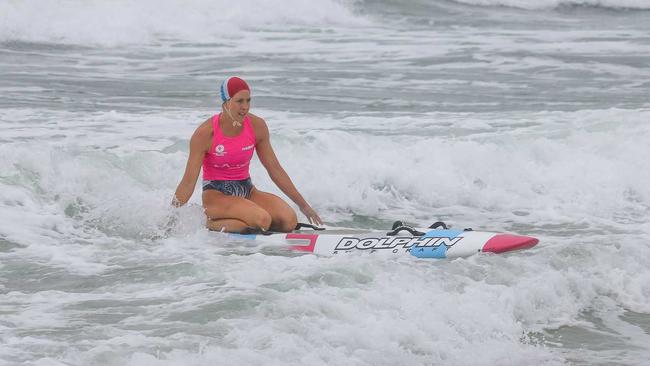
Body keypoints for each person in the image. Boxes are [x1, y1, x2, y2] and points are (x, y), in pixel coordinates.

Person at [172, 76, 322, 233]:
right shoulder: (205, 133)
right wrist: (171, 217)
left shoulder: (257, 126)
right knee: (262, 220)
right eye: (239, 101)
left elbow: (274, 169)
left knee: (288, 221)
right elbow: (188, 182)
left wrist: (303, 205)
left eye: (248, 101)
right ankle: (206, 222)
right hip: (215, 196)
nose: (245, 107)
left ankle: (242, 222)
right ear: (226, 102)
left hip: (247, 190)